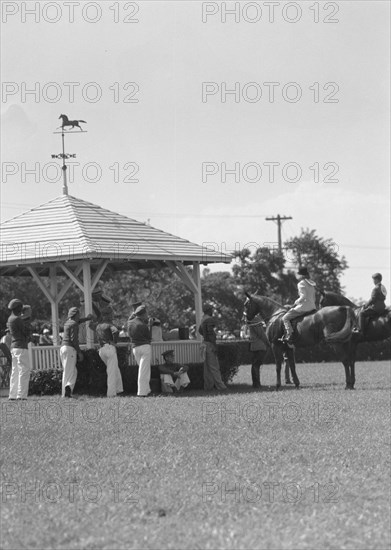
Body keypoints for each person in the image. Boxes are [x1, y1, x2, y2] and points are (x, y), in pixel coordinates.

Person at [60, 307, 93, 398]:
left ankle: (66, 391)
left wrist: (87, 318)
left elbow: (78, 321)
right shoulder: (74, 324)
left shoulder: (67, 322)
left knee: (69, 371)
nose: (80, 316)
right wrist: (79, 352)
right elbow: (74, 340)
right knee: (71, 372)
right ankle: (67, 391)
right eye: (79, 314)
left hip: (63, 348)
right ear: (76, 315)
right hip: (70, 348)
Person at [281, 267, 317, 346]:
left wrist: (294, 304)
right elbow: (314, 297)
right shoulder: (311, 283)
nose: (298, 277)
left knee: (285, 318)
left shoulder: (301, 283)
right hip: (313, 307)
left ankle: (290, 335)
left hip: (303, 308)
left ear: (301, 276)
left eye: (299, 275)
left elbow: (303, 297)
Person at [94, 306, 123, 397]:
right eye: (111, 314)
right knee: (111, 371)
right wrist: (114, 341)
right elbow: (116, 331)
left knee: (115, 369)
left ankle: (119, 390)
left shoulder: (98, 326)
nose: (112, 315)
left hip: (101, 350)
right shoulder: (110, 324)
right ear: (108, 315)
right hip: (110, 348)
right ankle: (111, 394)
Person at [7, 299, 32, 400]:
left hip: (14, 347)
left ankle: (12, 395)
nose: (22, 309)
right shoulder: (17, 319)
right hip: (21, 346)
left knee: (15, 372)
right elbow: (25, 332)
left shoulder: (10, 318)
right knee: (24, 371)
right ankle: (21, 396)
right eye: (20, 307)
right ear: (18, 308)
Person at [198, 303, 227, 391]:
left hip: (204, 344)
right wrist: (214, 345)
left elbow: (200, 331)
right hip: (210, 344)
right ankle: (221, 387)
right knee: (214, 367)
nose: (212, 311)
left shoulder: (203, 319)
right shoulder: (210, 320)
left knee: (207, 368)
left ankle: (208, 387)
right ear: (208, 310)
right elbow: (210, 334)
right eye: (211, 309)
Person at [127, 305, 152, 397]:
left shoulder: (129, 323)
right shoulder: (143, 325)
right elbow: (149, 338)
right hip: (144, 347)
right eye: (146, 313)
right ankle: (142, 392)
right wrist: (150, 325)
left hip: (135, 348)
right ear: (143, 314)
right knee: (144, 371)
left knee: (142, 370)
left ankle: (147, 389)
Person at [245, 313, 270, 389]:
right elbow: (261, 333)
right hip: (259, 345)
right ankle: (256, 384)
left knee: (255, 365)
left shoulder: (253, 317)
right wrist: (267, 343)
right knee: (256, 365)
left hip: (255, 345)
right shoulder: (255, 318)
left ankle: (256, 384)